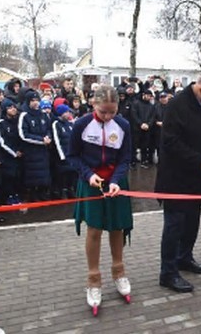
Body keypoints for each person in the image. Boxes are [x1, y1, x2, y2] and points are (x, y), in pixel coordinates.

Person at [156, 72, 201, 293]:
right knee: (174, 226)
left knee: (192, 222)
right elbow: (170, 142)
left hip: (196, 178)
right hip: (175, 179)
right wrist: (199, 160)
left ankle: (184, 257)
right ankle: (168, 273)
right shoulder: (177, 105)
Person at [68, 85, 133, 314]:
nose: (107, 116)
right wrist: (89, 175)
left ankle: (119, 272)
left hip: (116, 183)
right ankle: (94, 280)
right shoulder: (81, 125)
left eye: (112, 112)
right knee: (94, 230)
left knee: (117, 228)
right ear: (93, 105)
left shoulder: (123, 125)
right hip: (91, 182)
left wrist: (116, 179)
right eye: (103, 111)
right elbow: (73, 157)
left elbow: (126, 158)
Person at [18, 90, 52, 201]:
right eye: (32, 101)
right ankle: (32, 194)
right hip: (31, 150)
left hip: (43, 150)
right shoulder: (24, 115)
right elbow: (23, 134)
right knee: (32, 174)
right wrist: (41, 140)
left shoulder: (43, 115)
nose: (35, 103)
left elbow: (49, 128)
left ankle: (42, 192)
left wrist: (48, 137)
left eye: (37, 100)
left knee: (43, 173)